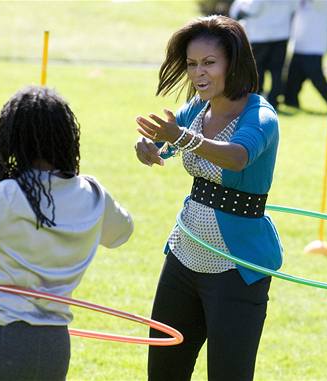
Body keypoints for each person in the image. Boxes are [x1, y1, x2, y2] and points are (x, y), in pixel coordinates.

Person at [134, 15, 283, 381]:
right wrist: (146, 148)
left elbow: (237, 155)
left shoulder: (260, 115)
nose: (198, 73)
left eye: (209, 63)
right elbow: (161, 141)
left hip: (236, 268)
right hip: (184, 256)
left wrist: (181, 138)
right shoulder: (196, 110)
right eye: (191, 64)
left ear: (234, 63)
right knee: (164, 371)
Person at [0, 86, 134, 381]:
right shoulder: (93, 195)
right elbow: (122, 233)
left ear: (11, 139)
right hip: (53, 346)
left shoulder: (5, 196)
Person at [229, 0, 298, 109]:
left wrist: (241, 8)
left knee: (257, 69)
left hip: (260, 35)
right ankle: (274, 99)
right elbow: (295, 7)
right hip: (281, 35)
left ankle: (256, 97)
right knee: (277, 70)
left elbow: (252, 8)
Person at [283, 0, 327, 110]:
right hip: (299, 45)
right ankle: (290, 101)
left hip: (315, 46)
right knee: (293, 76)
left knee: (316, 76)